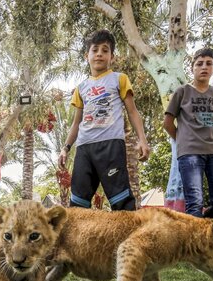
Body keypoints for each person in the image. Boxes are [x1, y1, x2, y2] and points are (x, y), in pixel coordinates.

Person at [59, 29, 150, 210]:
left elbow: (132, 112)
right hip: (84, 149)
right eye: (95, 50)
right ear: (87, 55)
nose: (99, 53)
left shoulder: (119, 79)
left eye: (105, 50)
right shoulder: (81, 88)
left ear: (112, 57)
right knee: (77, 205)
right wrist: (65, 148)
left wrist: (142, 140)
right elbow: (76, 123)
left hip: (111, 147)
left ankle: (128, 237)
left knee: (122, 202)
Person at [163, 48, 213, 220]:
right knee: (195, 202)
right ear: (192, 68)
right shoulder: (182, 92)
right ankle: (194, 246)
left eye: (209, 64)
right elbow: (167, 123)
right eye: (199, 64)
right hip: (189, 154)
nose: (204, 67)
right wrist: (183, 140)